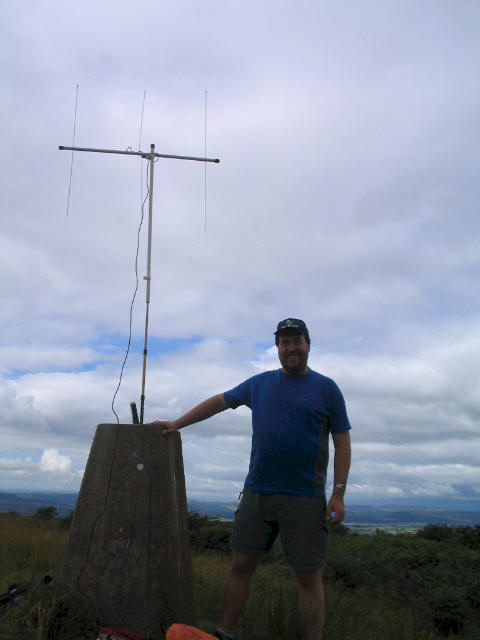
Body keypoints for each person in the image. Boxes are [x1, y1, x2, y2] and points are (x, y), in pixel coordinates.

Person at [148, 318, 351, 640]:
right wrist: (178, 423)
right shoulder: (259, 383)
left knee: (309, 577)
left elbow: (342, 440)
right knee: (242, 564)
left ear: (308, 345)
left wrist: (338, 493)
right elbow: (219, 402)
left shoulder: (327, 389)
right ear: (277, 348)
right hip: (258, 493)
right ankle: (223, 633)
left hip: (305, 497)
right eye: (284, 342)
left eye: (296, 340)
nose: (291, 348)